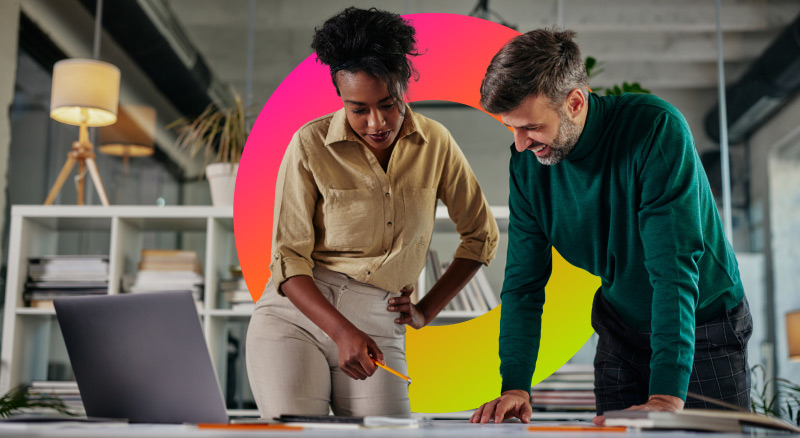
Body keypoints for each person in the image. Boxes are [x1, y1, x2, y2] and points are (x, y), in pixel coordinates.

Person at [470, 28, 752, 425]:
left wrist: (668, 396)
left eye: (531, 127)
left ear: (574, 102)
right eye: (511, 128)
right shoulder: (527, 168)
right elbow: (523, 284)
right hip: (621, 329)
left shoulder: (654, 131)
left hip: (704, 323)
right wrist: (515, 386)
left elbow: (673, 272)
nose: (519, 144)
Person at [246, 7, 498, 419]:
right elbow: (288, 260)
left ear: (404, 87)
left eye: (388, 104)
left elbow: (481, 236)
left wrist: (425, 310)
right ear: (340, 97)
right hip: (296, 320)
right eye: (358, 109)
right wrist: (341, 330)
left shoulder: (436, 143)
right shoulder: (308, 145)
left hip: (381, 322)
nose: (376, 122)